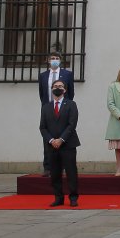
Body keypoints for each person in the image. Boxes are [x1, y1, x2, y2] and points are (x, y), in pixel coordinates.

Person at [40, 79, 79, 207]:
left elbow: (72, 124)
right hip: (52, 145)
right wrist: (52, 140)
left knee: (71, 172)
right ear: (52, 89)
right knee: (55, 173)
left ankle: (73, 197)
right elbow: (42, 127)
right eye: (55, 86)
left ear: (65, 90)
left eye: (60, 86)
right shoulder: (46, 107)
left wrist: (61, 139)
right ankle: (58, 197)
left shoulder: (71, 104)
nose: (58, 88)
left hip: (68, 144)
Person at [38, 52, 75, 176]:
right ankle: (48, 167)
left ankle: (62, 167)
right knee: (47, 138)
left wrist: (65, 105)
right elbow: (42, 93)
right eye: (52, 58)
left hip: (62, 108)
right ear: (48, 60)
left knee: (62, 137)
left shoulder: (67, 74)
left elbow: (71, 92)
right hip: (48, 109)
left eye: (57, 58)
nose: (54, 60)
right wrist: (47, 107)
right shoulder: (43, 75)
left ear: (60, 60)